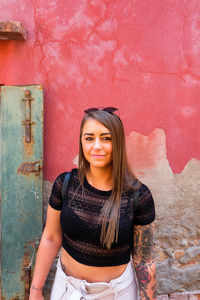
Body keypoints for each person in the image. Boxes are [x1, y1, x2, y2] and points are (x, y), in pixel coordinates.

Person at [29, 107, 157, 300]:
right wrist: (36, 289)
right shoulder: (65, 184)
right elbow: (51, 238)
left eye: (106, 138)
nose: (96, 146)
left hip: (116, 293)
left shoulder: (138, 195)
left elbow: (144, 259)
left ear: (118, 142)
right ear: (81, 142)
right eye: (89, 138)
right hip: (66, 289)